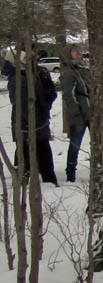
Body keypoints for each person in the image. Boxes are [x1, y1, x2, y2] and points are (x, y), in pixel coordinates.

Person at [3, 50, 59, 186]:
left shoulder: (27, 76)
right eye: (25, 59)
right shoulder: (18, 79)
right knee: (30, 155)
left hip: (35, 122)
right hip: (28, 124)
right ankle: (31, 182)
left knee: (38, 152)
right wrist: (34, 123)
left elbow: (38, 97)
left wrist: (48, 95)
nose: (29, 61)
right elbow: (23, 105)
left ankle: (48, 180)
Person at [59, 45, 92, 183]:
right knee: (75, 145)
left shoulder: (83, 71)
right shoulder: (68, 74)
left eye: (78, 52)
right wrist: (77, 114)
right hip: (79, 115)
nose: (78, 54)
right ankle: (70, 174)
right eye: (74, 52)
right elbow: (68, 96)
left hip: (90, 114)